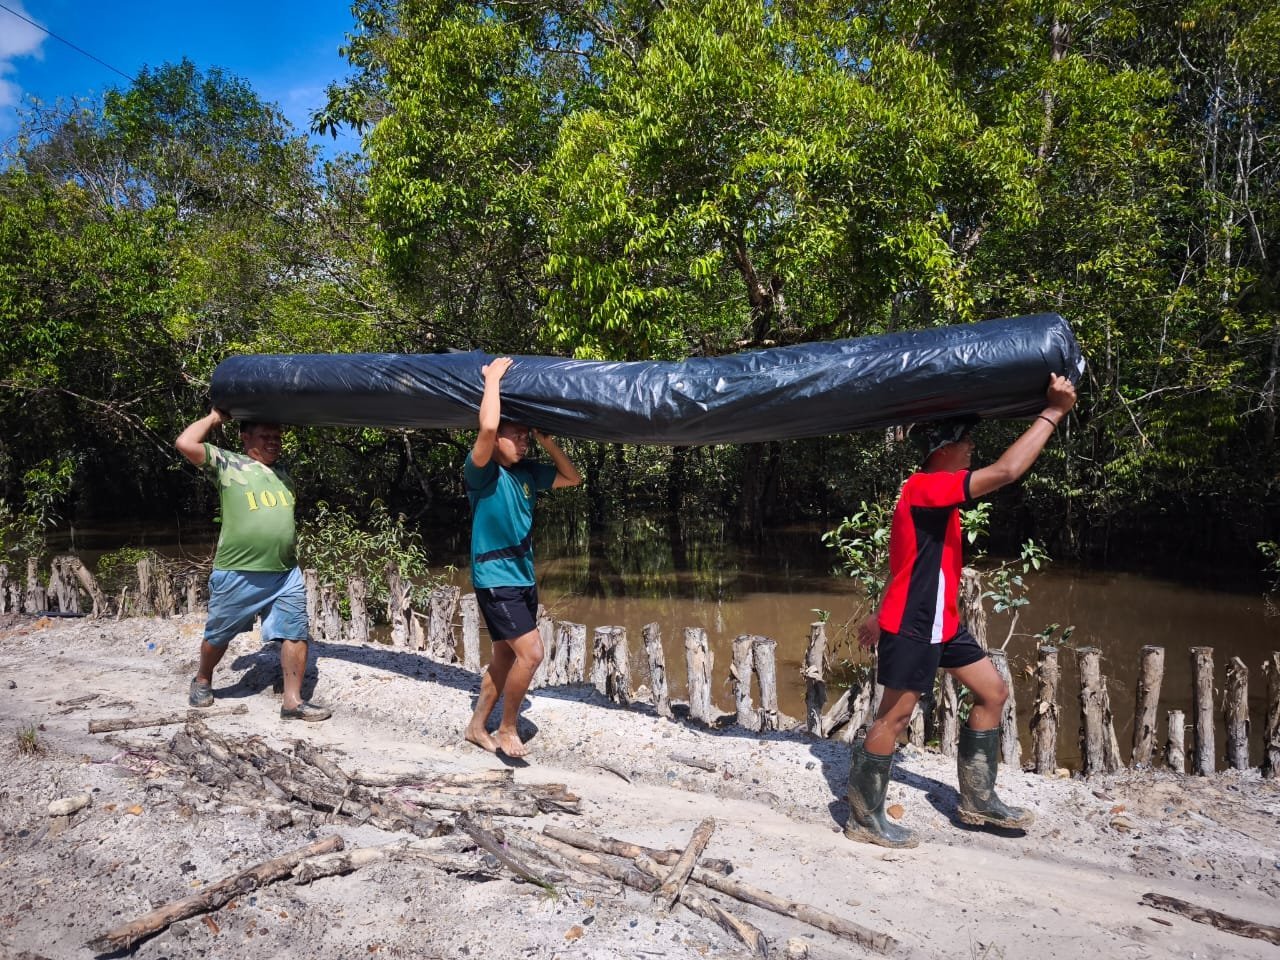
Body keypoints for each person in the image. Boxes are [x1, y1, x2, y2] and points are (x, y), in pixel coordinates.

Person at [846, 373, 1077, 848]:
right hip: (914, 624)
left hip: (940, 622)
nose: (972, 447)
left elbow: (905, 559)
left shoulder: (934, 495)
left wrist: (875, 611)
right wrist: (1052, 412)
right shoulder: (926, 487)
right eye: (965, 441)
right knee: (895, 717)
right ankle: (863, 819)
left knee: (993, 692)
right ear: (942, 450)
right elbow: (1008, 470)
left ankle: (977, 798)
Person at [175, 409, 331, 721]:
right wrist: (214, 417)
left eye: (277, 437)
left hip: (285, 572)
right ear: (246, 438)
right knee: (218, 634)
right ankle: (203, 678)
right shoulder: (228, 464)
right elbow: (184, 442)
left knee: (295, 632)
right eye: (265, 437)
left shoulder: (284, 472)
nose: (274, 442)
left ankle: (292, 701)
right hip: (238, 573)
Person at [463, 357, 581, 757]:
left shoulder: (528, 472)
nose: (523, 442)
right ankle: (507, 728)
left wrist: (547, 441)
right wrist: (493, 378)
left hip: (522, 577)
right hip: (495, 578)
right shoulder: (481, 472)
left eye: (525, 437)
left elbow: (572, 478)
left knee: (503, 658)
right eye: (517, 436)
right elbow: (489, 426)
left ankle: (476, 726)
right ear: (497, 442)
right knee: (532, 654)